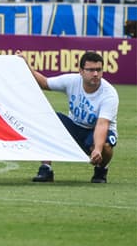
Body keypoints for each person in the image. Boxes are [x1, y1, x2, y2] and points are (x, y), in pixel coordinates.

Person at [24, 51, 118, 184]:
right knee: (48, 119)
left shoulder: (109, 94)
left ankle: (101, 170)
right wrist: (26, 65)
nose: (96, 74)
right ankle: (46, 168)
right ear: (81, 71)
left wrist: (97, 149)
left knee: (106, 146)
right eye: (91, 70)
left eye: (98, 70)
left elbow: (102, 124)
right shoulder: (72, 81)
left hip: (96, 130)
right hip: (75, 127)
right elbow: (44, 83)